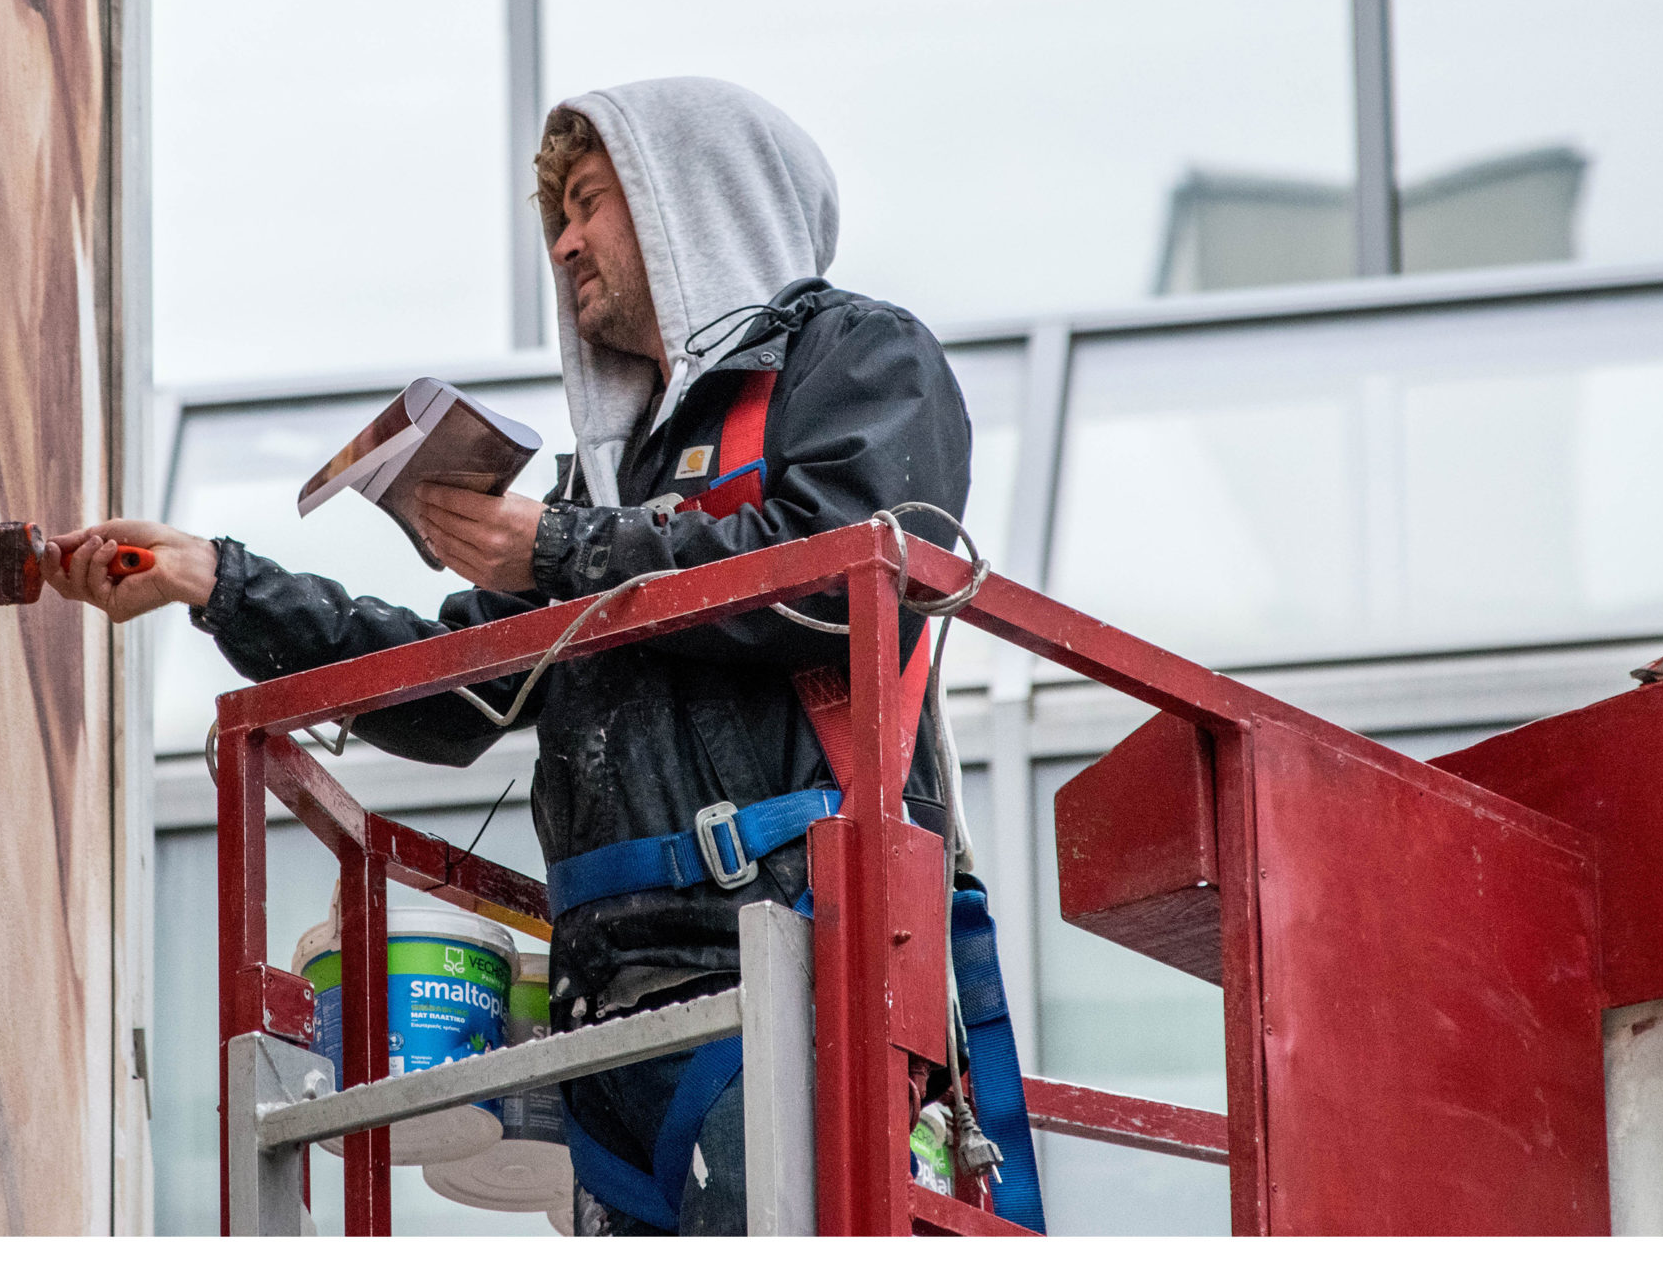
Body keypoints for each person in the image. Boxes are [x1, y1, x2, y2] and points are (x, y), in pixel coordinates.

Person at [52, 77, 973, 1234]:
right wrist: (217, 581)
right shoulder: (614, 482)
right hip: (617, 1019)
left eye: (591, 203)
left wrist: (561, 544)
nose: (566, 242)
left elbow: (849, 572)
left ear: (696, 203)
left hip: (791, 971)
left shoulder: (858, 358)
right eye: (556, 221)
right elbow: (464, 692)